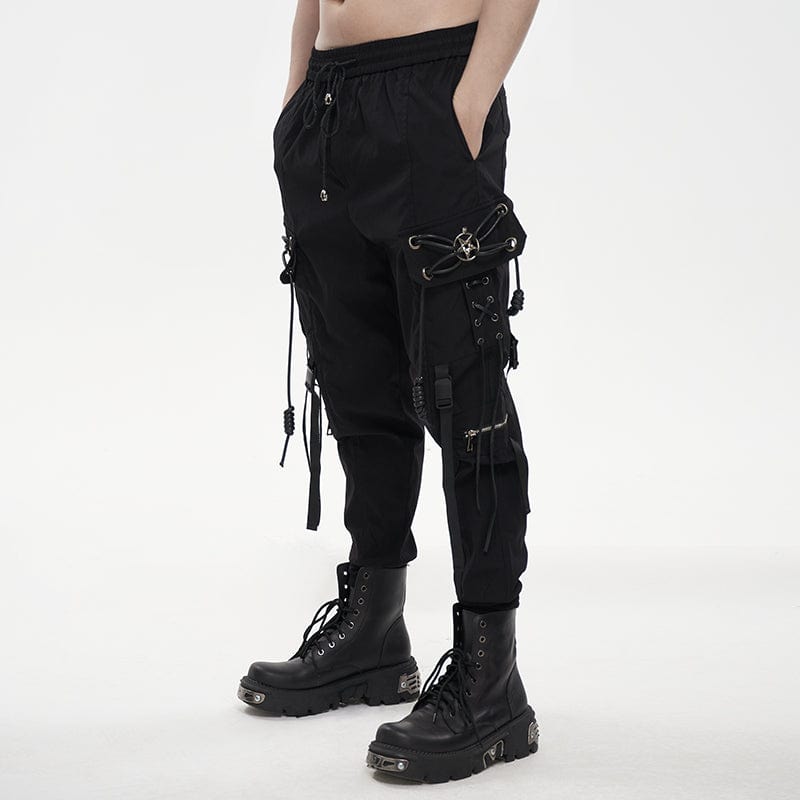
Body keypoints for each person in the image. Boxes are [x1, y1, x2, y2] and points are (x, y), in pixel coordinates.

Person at [238, 0, 541, 783]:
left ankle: (492, 677)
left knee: (463, 393)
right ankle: (373, 632)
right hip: (329, 107)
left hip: (432, 90)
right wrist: (296, 97)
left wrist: (469, 103)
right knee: (356, 381)